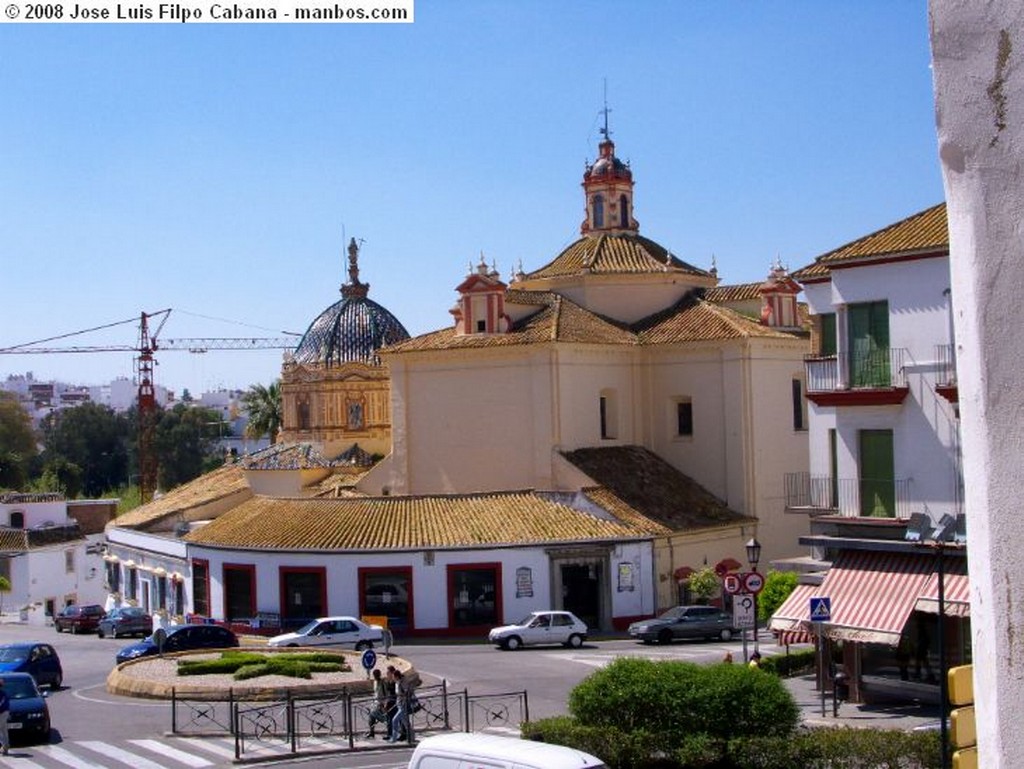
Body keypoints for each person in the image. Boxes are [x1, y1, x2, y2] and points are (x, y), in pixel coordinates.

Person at [387, 669, 416, 743]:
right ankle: (412, 737)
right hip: (399, 704)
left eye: (393, 676)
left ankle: (394, 738)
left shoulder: (403, 683)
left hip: (404, 705)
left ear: (396, 676)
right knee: (405, 722)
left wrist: (403, 696)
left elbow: (407, 693)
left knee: (394, 720)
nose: (392, 678)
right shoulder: (397, 683)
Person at [364, 668, 389, 739]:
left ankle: (390, 732)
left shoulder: (383, 683)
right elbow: (375, 693)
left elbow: (387, 694)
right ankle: (372, 732)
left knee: (385, 719)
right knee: (371, 717)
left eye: (377, 675)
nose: (375, 676)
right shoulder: (375, 682)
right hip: (375, 703)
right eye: (375, 675)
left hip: (381, 704)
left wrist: (385, 704)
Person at [0, 678, 9, 756]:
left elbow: (1, 704)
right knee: (3, 730)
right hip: (4, 712)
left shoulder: (2, 694)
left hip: (3, 713)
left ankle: (4, 747)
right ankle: (5, 747)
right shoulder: (3, 693)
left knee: (1, 730)